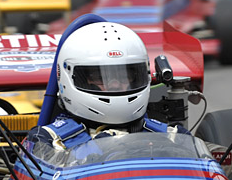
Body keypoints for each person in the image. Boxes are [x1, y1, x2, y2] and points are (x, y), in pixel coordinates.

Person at [29, 19, 183, 150]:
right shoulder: (48, 142)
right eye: (99, 77)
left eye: (125, 76)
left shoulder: (171, 137)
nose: (115, 85)